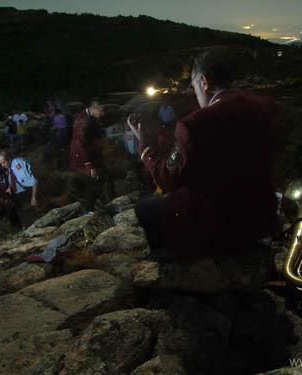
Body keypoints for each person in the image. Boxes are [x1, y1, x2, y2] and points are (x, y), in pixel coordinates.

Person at [128, 51, 277, 259]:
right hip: (261, 215)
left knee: (145, 208)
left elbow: (168, 178)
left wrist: (144, 147)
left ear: (203, 81)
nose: (195, 93)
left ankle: (174, 260)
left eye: (194, 85)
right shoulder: (262, 107)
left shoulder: (194, 124)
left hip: (220, 223)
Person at [68, 101, 104, 212]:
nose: (102, 113)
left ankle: (95, 204)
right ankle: (89, 210)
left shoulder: (89, 117)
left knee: (95, 180)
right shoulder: (83, 121)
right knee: (91, 181)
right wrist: (89, 165)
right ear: (93, 108)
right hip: (82, 157)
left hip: (89, 153)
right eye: (101, 111)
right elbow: (80, 144)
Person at [0, 150, 38, 227]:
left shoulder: (17, 164)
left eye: (3, 162)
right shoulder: (11, 165)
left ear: (8, 159)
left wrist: (33, 198)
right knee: (19, 212)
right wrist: (9, 187)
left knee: (28, 215)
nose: (2, 165)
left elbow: (33, 181)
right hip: (18, 193)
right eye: (1, 164)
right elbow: (13, 177)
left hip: (25, 192)